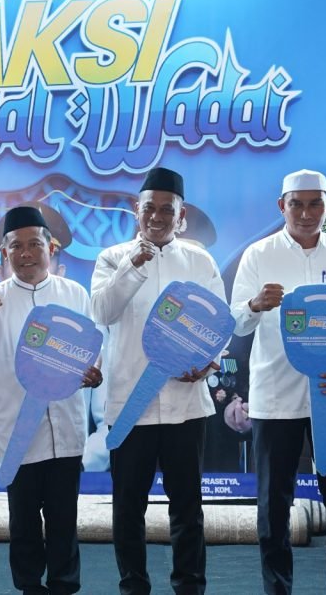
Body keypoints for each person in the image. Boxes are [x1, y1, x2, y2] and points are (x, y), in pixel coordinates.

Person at [230, 169, 326, 595]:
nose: (305, 212)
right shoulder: (258, 255)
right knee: (273, 505)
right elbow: (235, 323)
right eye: (296, 204)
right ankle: (276, 589)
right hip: (276, 397)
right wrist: (254, 304)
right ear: (282, 206)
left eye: (315, 203)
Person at [91, 167, 225, 595]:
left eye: (168, 209)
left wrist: (209, 362)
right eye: (150, 207)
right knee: (128, 507)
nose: (157, 216)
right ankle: (134, 586)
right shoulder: (112, 257)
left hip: (186, 404)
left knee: (187, 507)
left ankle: (190, 586)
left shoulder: (199, 260)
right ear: (137, 209)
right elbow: (102, 312)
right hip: (131, 403)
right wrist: (133, 265)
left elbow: (218, 322)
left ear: (181, 216)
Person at [0, 206, 101, 595]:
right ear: (5, 253)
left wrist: (94, 372)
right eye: (16, 246)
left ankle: (64, 585)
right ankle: (29, 587)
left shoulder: (75, 294)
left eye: (34, 244)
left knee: (63, 519)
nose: (26, 253)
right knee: (22, 522)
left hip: (66, 429)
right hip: (17, 433)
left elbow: (91, 353)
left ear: (50, 247)